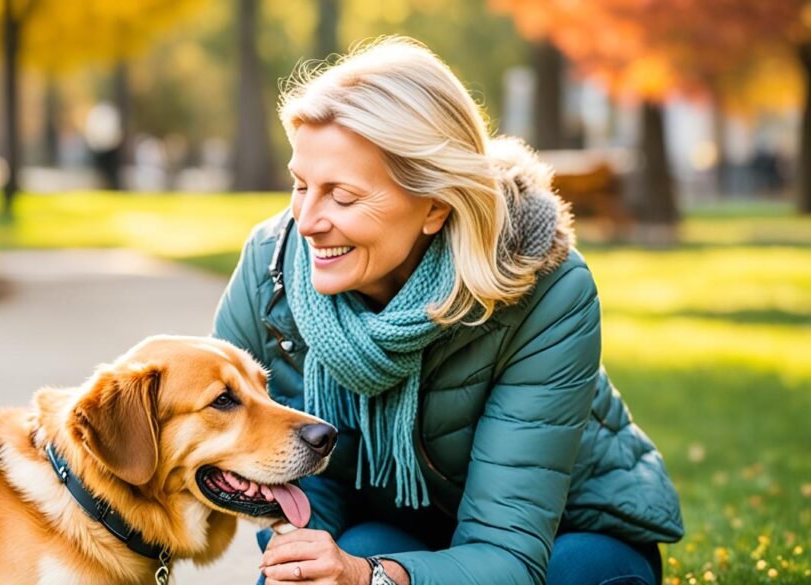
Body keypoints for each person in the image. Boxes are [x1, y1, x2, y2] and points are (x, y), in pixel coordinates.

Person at [213, 36, 683, 585]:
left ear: (435, 204)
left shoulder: (548, 291)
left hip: (558, 539)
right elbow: (279, 467)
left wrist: (371, 578)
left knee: (582, 574)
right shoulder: (271, 272)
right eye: (300, 185)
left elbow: (508, 553)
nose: (309, 221)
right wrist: (309, 555)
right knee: (357, 548)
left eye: (341, 197)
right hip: (385, 532)